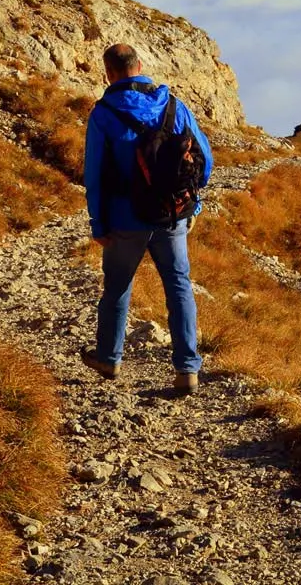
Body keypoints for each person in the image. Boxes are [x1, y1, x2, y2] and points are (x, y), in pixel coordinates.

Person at [80, 43, 214, 395]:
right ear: (140, 66)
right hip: (172, 216)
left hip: (124, 218)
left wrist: (98, 223)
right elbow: (205, 160)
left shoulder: (103, 113)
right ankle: (187, 369)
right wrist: (191, 204)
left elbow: (93, 174)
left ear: (108, 72)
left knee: (118, 287)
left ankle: (109, 358)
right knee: (179, 286)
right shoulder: (173, 105)